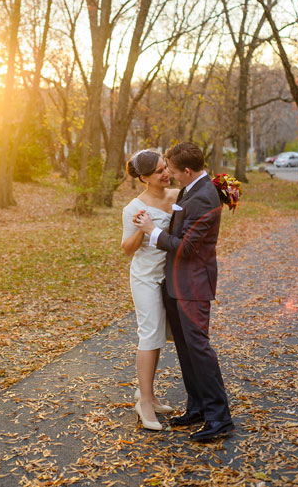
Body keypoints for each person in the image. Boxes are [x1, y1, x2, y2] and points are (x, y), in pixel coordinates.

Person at [134, 142, 234, 442]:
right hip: (176, 282)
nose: (171, 176)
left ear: (187, 171)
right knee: (186, 349)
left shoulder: (203, 196)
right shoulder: (192, 188)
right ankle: (198, 406)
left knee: (199, 349)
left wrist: (152, 231)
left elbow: (187, 247)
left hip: (193, 284)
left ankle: (219, 417)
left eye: (174, 171)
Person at [121, 150, 177, 431]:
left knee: (158, 336)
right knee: (149, 333)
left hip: (168, 277)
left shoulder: (176, 196)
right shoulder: (133, 208)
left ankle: (149, 394)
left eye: (165, 167)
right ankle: (143, 403)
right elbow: (126, 249)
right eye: (158, 171)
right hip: (144, 277)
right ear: (143, 177)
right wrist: (142, 230)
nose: (165, 173)